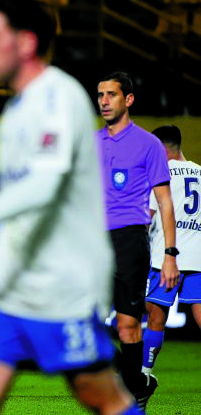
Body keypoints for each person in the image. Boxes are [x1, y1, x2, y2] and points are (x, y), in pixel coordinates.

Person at [0, 0, 141, 414]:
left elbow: (44, 187)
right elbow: (22, 203)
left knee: (100, 396)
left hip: (64, 284)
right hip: (11, 286)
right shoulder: (17, 107)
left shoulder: (58, 98)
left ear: (26, 42)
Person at [96, 71, 180, 409]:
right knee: (78, 322)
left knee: (128, 325)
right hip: (93, 240)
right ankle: (138, 383)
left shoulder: (149, 144)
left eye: (111, 95)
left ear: (128, 99)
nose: (104, 101)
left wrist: (170, 254)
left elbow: (165, 202)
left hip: (130, 239)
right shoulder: (90, 143)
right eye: (100, 95)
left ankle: (130, 397)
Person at [142, 124, 201, 380]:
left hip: (167, 258)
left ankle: (144, 374)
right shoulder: (200, 172)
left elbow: (146, 218)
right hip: (198, 257)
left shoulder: (161, 174)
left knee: (155, 317)